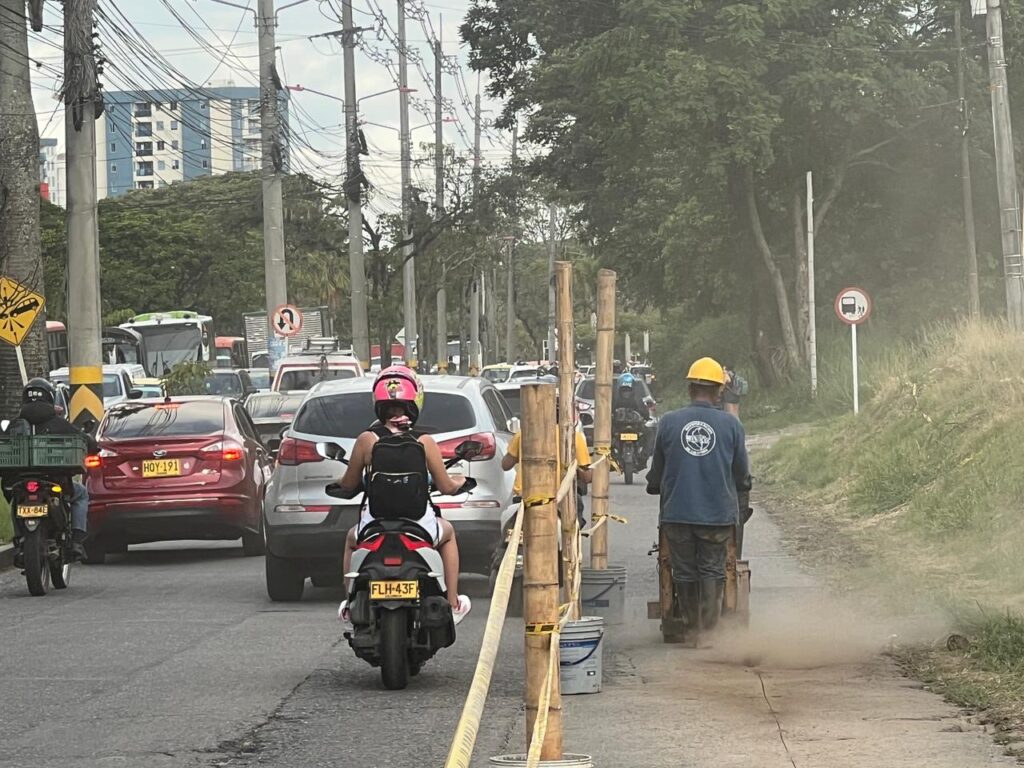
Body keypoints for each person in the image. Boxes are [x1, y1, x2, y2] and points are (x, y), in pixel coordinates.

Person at [335, 366, 472, 624]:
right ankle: (453, 602)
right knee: (449, 534)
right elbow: (446, 487)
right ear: (415, 401)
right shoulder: (425, 442)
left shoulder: (367, 440)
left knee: (350, 540)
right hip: (418, 523)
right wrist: (460, 482)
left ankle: (350, 604)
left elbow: (349, 483)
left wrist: (339, 483)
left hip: (375, 524)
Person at [646, 357, 750, 638]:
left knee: (684, 571)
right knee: (713, 569)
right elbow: (742, 474)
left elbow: (656, 473)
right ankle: (708, 635)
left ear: (690, 389)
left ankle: (691, 629)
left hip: (677, 515)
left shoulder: (668, 422)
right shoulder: (731, 426)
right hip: (717, 516)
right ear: (719, 392)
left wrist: (655, 485)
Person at [12, 378, 98, 560]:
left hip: (20, 482)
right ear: (50, 398)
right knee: (81, 494)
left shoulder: (15, 426)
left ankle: (19, 538)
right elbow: (84, 439)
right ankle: (76, 539)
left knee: (15, 500)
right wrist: (92, 444)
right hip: (57, 482)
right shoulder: (59, 424)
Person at [501, 398, 592, 511]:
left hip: (524, 499)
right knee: (576, 518)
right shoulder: (574, 436)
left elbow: (505, 465)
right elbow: (587, 477)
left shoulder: (523, 434)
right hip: (559, 501)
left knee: (508, 522)